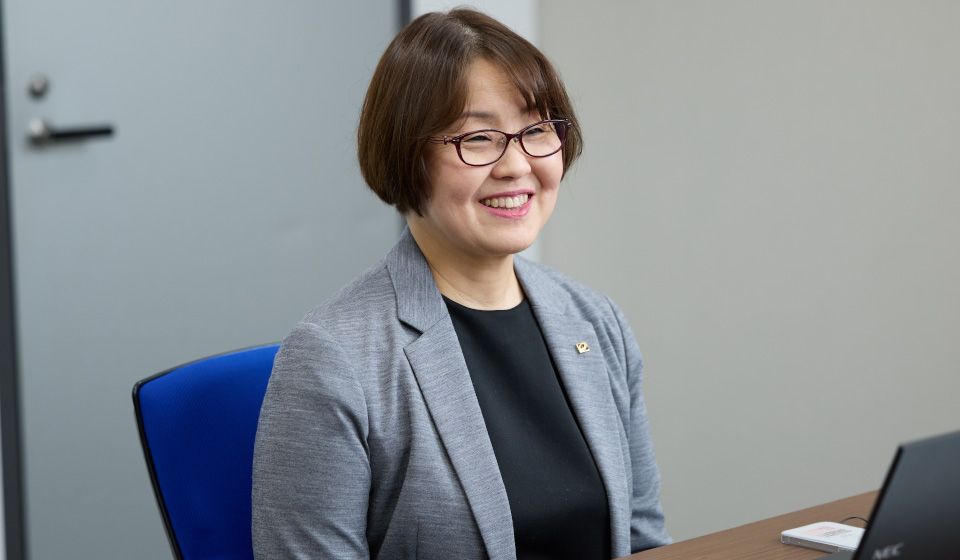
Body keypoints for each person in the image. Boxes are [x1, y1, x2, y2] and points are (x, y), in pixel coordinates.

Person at [252, 8, 670, 560]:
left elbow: (644, 541)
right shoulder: (335, 358)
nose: (516, 165)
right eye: (478, 137)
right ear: (406, 153)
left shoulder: (596, 320)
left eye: (537, 130)